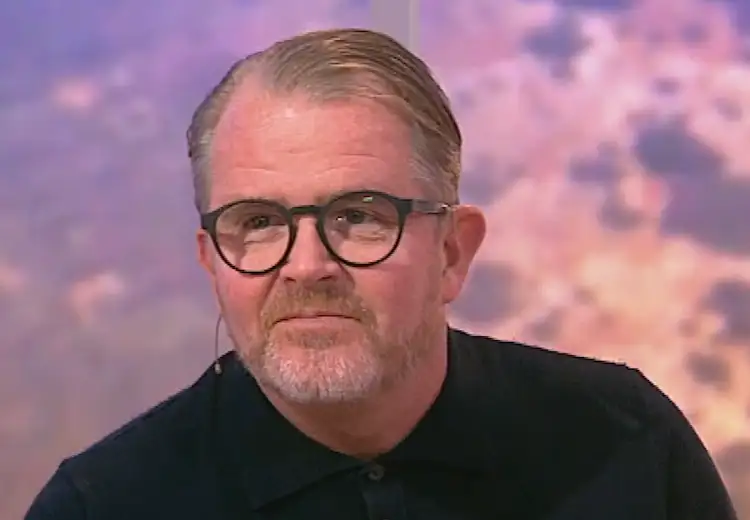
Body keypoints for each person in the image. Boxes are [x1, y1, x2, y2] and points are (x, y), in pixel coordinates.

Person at [25, 28, 737, 520]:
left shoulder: (626, 441)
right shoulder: (102, 505)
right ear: (212, 261)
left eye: (359, 216)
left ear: (452, 252)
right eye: (259, 222)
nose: (307, 267)